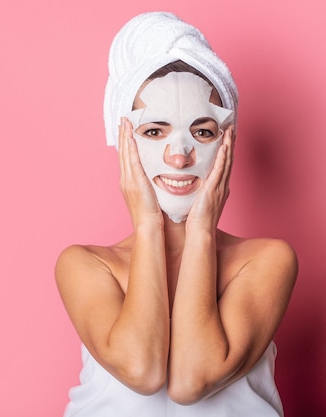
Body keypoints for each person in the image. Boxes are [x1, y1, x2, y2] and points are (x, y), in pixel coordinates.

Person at [55, 12, 297, 416]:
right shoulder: (86, 265)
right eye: (154, 131)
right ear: (124, 141)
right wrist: (148, 223)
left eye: (202, 131)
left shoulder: (266, 261)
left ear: (226, 143)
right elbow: (141, 370)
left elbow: (192, 380)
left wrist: (202, 229)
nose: (179, 155)